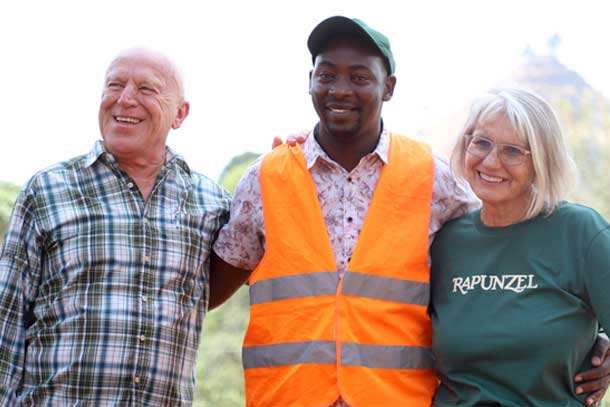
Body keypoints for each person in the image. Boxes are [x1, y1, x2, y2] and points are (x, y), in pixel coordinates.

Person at [210, 17, 610, 407]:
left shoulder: (435, 179)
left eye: (361, 77)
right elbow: (206, 290)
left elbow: (508, 238)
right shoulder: (266, 177)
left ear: (389, 87)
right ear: (310, 80)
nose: (341, 89)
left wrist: (597, 344)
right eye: (327, 75)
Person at [0, 48, 230, 405]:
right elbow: (6, 321)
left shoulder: (211, 204)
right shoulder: (47, 190)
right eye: (115, 85)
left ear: (180, 114)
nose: (125, 99)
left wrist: (293, 151)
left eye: (146, 89)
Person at [430, 88, 610, 406]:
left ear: (542, 159)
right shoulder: (447, 242)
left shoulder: (580, 233)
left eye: (513, 151)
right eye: (481, 142)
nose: (491, 161)